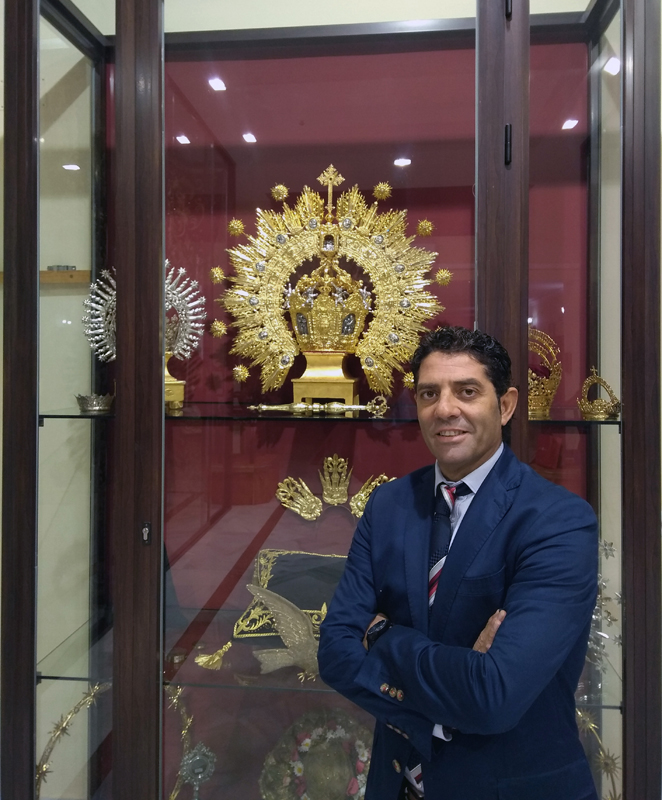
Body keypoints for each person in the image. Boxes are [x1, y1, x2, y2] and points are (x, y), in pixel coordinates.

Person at [318, 326, 599, 800]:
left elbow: (495, 695)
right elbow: (335, 653)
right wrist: (445, 703)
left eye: (467, 391)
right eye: (430, 393)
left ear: (505, 405)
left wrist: (381, 635)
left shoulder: (558, 520)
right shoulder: (388, 505)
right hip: (397, 783)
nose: (445, 409)